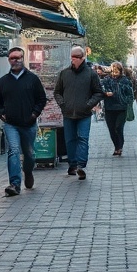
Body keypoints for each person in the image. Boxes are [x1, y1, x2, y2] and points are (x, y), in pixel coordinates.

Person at [0, 46, 47, 197]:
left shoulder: (32, 79)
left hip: (29, 124)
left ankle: (28, 172)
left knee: (29, 154)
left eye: (18, 58)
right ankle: (15, 184)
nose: (15, 60)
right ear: (8, 60)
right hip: (11, 124)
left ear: (23, 59)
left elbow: (41, 99)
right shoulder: (3, 81)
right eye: (12, 58)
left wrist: (34, 114)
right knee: (14, 150)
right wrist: (1, 114)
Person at [54, 45, 104, 180]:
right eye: (72, 57)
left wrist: (89, 105)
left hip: (84, 113)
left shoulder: (91, 74)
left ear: (83, 58)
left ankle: (81, 165)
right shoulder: (64, 73)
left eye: (76, 57)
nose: (73, 59)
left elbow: (98, 92)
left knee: (83, 138)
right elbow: (57, 92)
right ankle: (73, 164)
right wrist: (63, 104)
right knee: (70, 140)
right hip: (68, 112)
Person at [100, 62, 133, 156]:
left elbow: (130, 94)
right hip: (109, 107)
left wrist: (125, 101)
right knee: (111, 129)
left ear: (121, 71)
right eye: (113, 71)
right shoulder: (106, 80)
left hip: (121, 108)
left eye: (117, 71)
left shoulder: (125, 80)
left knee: (118, 128)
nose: (115, 73)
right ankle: (117, 147)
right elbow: (100, 89)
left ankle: (120, 147)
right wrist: (105, 93)